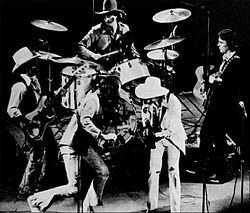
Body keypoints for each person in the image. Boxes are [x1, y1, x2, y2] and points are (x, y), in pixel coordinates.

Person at [27, 75, 121, 212]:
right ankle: (35, 200)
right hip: (71, 145)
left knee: (103, 172)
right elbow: (85, 121)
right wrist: (103, 136)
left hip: (81, 145)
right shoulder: (93, 101)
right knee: (73, 187)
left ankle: (87, 207)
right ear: (109, 90)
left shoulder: (94, 97)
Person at [5, 46, 58, 198]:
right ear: (25, 68)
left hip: (38, 122)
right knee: (36, 156)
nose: (35, 66)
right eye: (31, 64)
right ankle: (26, 189)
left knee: (50, 150)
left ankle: (40, 185)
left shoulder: (34, 81)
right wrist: (28, 121)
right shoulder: (19, 86)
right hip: (27, 123)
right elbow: (11, 110)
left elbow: (39, 103)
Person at [135, 76, 187, 212]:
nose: (149, 100)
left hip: (173, 137)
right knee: (153, 171)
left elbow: (174, 125)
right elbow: (146, 123)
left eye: (152, 97)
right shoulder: (146, 103)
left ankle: (175, 209)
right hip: (157, 139)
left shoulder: (173, 101)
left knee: (173, 171)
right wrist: (146, 126)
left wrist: (161, 134)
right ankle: (151, 207)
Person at [198, 28, 244, 183]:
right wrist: (206, 83)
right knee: (214, 137)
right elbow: (216, 76)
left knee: (209, 135)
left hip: (224, 107)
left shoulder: (235, 62)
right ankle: (216, 171)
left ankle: (215, 171)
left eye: (221, 42)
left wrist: (216, 82)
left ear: (229, 44)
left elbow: (231, 87)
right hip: (217, 104)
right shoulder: (224, 59)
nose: (218, 45)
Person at [77, 0, 139, 71]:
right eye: (104, 16)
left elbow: (130, 48)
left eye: (108, 15)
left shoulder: (125, 29)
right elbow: (80, 46)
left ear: (116, 15)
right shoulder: (96, 31)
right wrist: (93, 55)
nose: (106, 18)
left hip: (119, 69)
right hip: (100, 70)